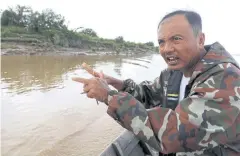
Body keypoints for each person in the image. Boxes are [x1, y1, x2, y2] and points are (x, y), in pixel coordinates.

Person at [72, 10, 240, 156]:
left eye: (176, 39)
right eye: (161, 42)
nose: (166, 48)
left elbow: (173, 134)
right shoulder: (174, 72)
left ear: (200, 40)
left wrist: (108, 96)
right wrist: (116, 83)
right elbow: (148, 94)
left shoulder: (226, 77)